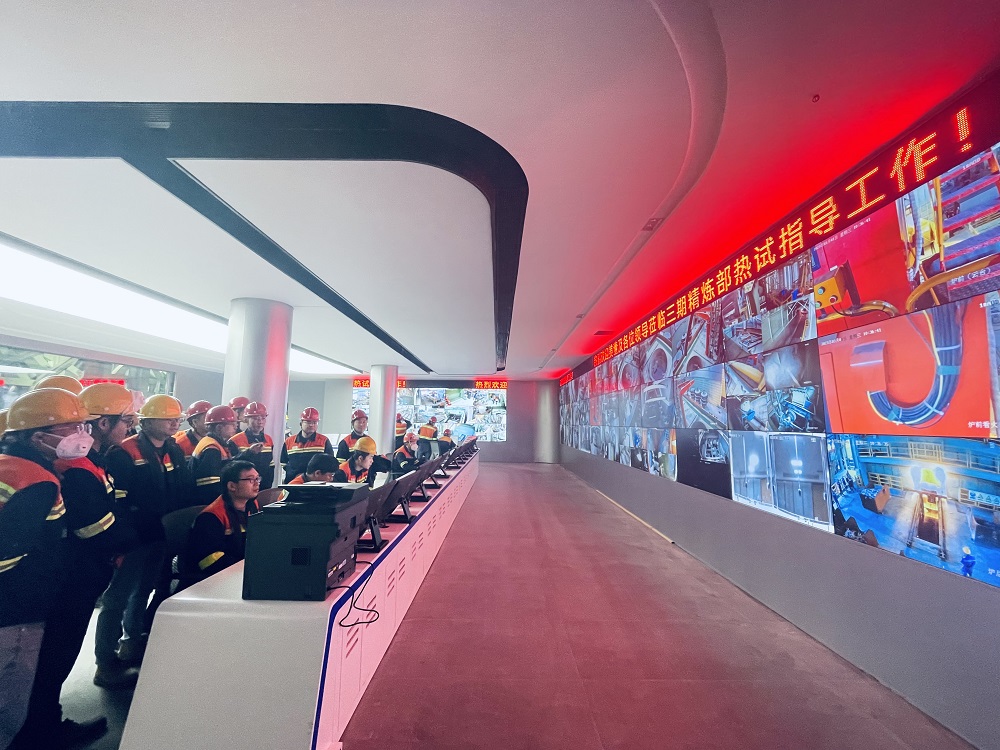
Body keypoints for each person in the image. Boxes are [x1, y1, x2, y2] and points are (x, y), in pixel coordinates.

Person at [12, 384, 140, 747]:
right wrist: (132, 534)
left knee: (49, 661)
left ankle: (43, 726)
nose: (80, 434)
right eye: (73, 427)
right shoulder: (68, 470)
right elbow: (95, 529)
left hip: (68, 579)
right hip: (66, 581)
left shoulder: (83, 464)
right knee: (51, 660)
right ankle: (41, 731)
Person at [0, 388, 104, 748]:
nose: (81, 434)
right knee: (9, 703)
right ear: (37, 436)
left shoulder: (12, 464)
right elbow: (8, 553)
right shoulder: (37, 480)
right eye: (70, 427)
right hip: (17, 609)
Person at [95, 394, 191, 684]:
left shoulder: (172, 449)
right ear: (147, 422)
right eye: (167, 418)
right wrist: (125, 538)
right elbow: (118, 502)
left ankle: (131, 643)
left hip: (160, 535)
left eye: (176, 419)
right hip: (133, 538)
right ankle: (105, 661)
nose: (174, 423)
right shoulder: (125, 451)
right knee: (117, 597)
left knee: (144, 590)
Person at [181, 461, 260, 586]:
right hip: (209, 582)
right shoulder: (211, 517)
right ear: (232, 486)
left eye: (257, 478)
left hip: (240, 573)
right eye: (251, 479)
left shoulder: (252, 506)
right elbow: (209, 560)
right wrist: (248, 567)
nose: (256, 483)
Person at [192, 405, 261, 504]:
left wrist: (249, 453)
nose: (236, 427)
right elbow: (210, 484)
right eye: (232, 424)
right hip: (209, 503)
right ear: (219, 427)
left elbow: (227, 464)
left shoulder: (215, 443)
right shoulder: (211, 449)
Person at [280, 407, 334, 482]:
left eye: (314, 422)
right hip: (293, 482)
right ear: (301, 423)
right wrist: (295, 474)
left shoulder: (324, 441)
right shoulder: (289, 441)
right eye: (308, 422)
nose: (311, 425)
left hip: (316, 483)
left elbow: (330, 464)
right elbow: (283, 463)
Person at [228, 401, 275, 487]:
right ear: (246, 420)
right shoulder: (235, 440)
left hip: (264, 486)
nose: (260, 422)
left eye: (263, 418)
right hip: (244, 487)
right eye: (256, 419)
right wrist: (250, 452)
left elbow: (270, 465)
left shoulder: (268, 440)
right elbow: (231, 465)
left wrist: (268, 486)